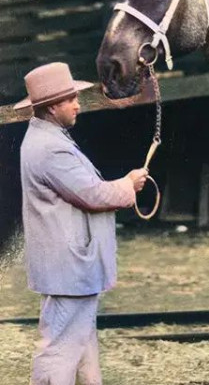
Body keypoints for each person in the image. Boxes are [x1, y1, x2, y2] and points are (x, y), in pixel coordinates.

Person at [13, 62, 148, 385]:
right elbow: (92, 194)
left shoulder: (48, 139)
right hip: (69, 267)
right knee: (59, 349)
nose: (78, 105)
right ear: (51, 107)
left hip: (68, 266)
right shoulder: (51, 149)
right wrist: (128, 185)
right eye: (71, 99)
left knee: (82, 346)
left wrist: (123, 184)